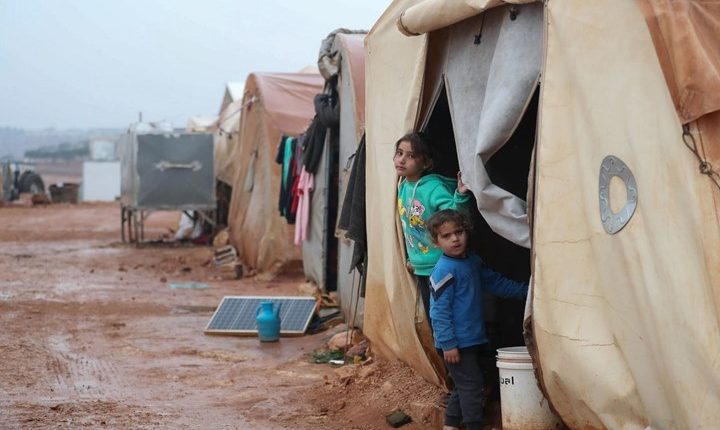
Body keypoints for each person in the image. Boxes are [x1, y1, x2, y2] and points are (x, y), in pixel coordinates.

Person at [426, 209, 528, 430]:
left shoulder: (472, 261)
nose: (455, 239)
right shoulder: (443, 270)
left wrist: (526, 291)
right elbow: (439, 312)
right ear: (436, 242)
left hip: (471, 338)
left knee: (464, 384)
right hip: (455, 343)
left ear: (467, 232)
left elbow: (495, 283)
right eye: (446, 236)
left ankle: (451, 425)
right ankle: (474, 425)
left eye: (459, 232)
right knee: (472, 385)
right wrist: (448, 344)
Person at [394, 132, 470, 325]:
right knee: (434, 319)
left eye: (411, 156)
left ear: (426, 163)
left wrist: (460, 196)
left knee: (446, 319)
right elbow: (411, 228)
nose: (402, 160)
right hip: (421, 267)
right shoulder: (403, 185)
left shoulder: (433, 188)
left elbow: (455, 217)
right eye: (399, 153)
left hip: (441, 265)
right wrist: (412, 258)